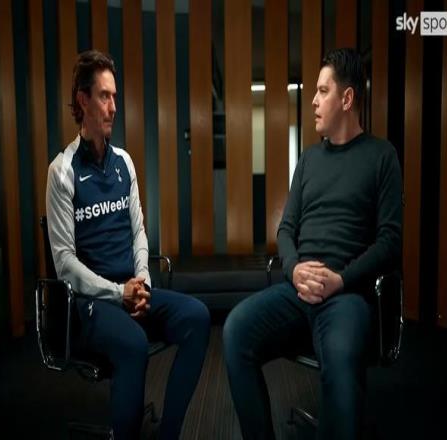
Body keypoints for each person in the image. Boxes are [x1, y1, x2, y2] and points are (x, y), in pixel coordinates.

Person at [223, 48, 403, 440]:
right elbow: (286, 230)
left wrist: (341, 279)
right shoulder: (308, 160)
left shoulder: (381, 157)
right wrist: (294, 269)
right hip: (298, 290)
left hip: (346, 295)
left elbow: (391, 241)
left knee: (340, 360)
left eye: (323, 91)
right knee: (235, 331)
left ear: (347, 98)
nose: (314, 102)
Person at [46, 50, 210, 440]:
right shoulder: (62, 171)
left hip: (131, 290)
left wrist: (143, 284)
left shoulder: (124, 162)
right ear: (83, 100)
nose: (113, 106)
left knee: (197, 317)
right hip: (91, 304)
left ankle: (169, 433)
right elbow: (64, 263)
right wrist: (118, 293)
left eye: (115, 97)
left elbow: (139, 232)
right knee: (134, 344)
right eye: (104, 96)